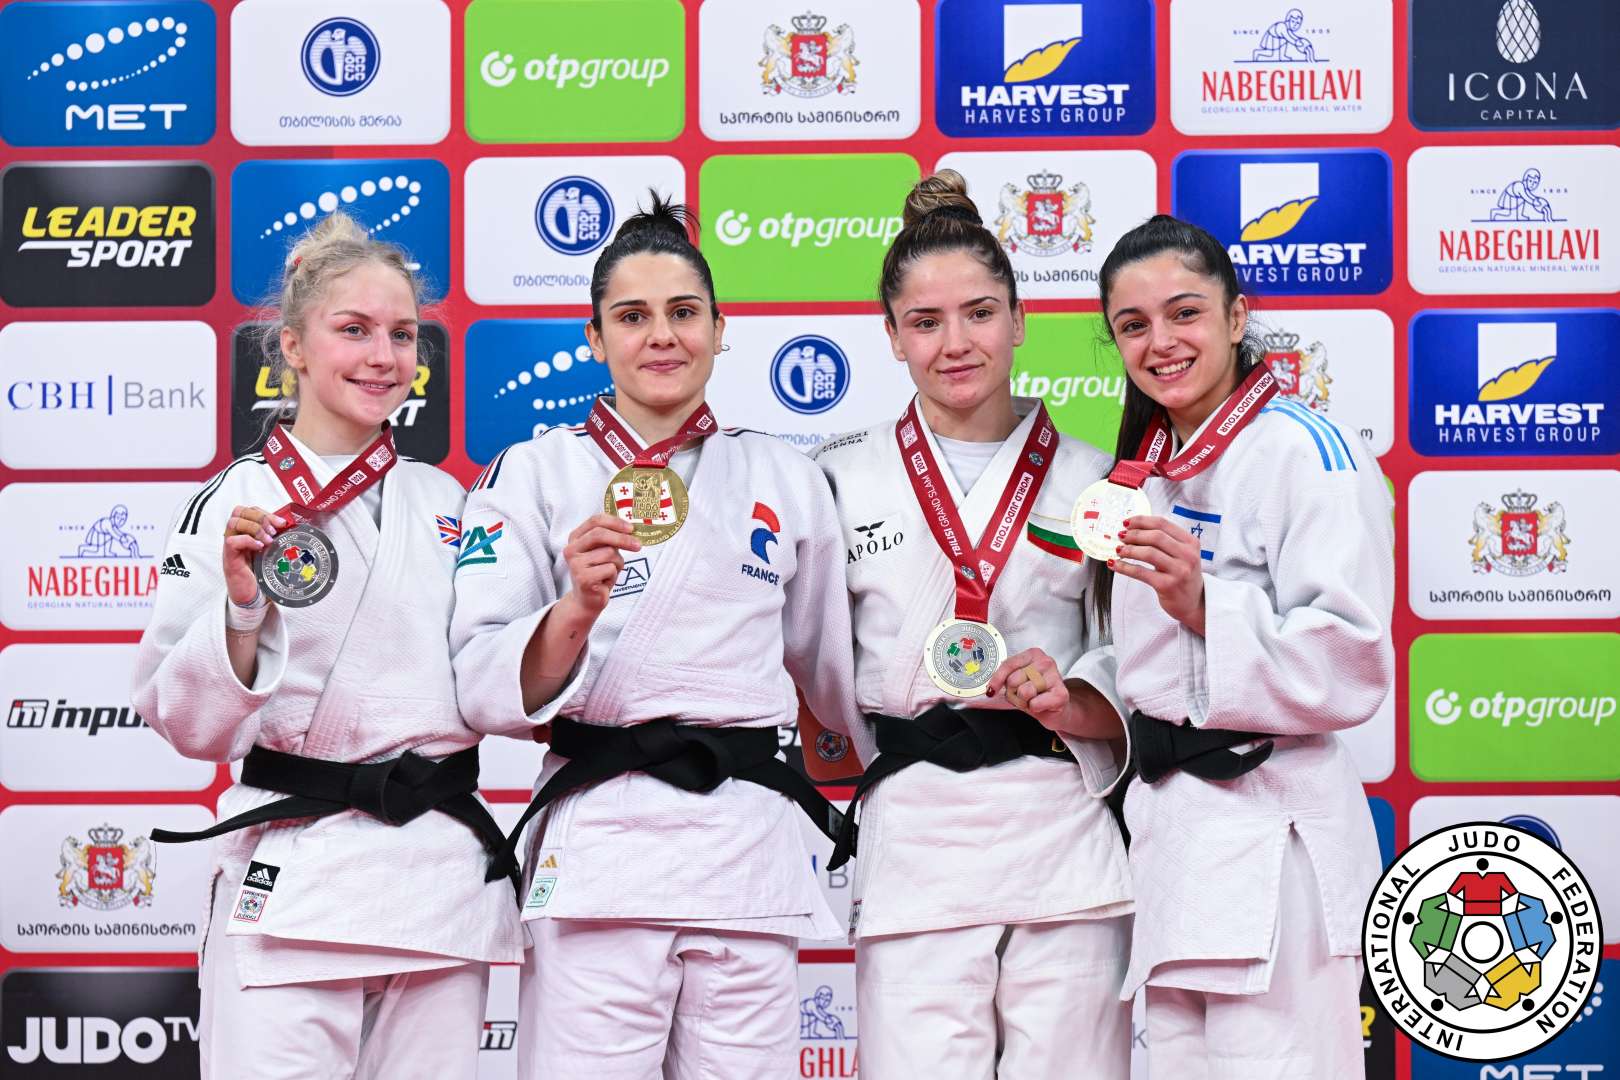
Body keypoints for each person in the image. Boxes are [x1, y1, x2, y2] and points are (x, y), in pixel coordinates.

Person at [449, 195, 859, 1079]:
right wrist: (573, 612)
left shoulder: (784, 476)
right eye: (633, 317)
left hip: (745, 847)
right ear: (594, 338)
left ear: (722, 327)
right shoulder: (535, 473)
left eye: (683, 313)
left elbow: (834, 676)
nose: (661, 336)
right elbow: (481, 676)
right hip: (602, 847)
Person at [130, 211, 523, 1080]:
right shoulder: (233, 503)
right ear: (293, 349)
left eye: (402, 334)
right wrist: (239, 613)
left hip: (436, 878)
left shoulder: (452, 505)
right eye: (353, 331)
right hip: (296, 881)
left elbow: (495, 674)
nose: (383, 356)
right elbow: (183, 720)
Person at [812, 170, 1132, 1079]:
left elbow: (1140, 654)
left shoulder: (1096, 477)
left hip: (1061, 830)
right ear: (892, 336)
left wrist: (1073, 696)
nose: (956, 343)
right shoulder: (838, 477)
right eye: (926, 321)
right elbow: (812, 658)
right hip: (915, 829)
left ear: (1021, 318)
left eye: (980, 313)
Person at [1092, 214, 1391, 1078]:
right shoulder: (1144, 470)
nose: (1161, 342)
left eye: (1184, 313)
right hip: (1176, 841)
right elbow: (1155, 673)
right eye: (1133, 325)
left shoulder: (1309, 452)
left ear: (1235, 317)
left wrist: (1203, 606)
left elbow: (1351, 661)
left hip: (1276, 838)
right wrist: (1078, 687)